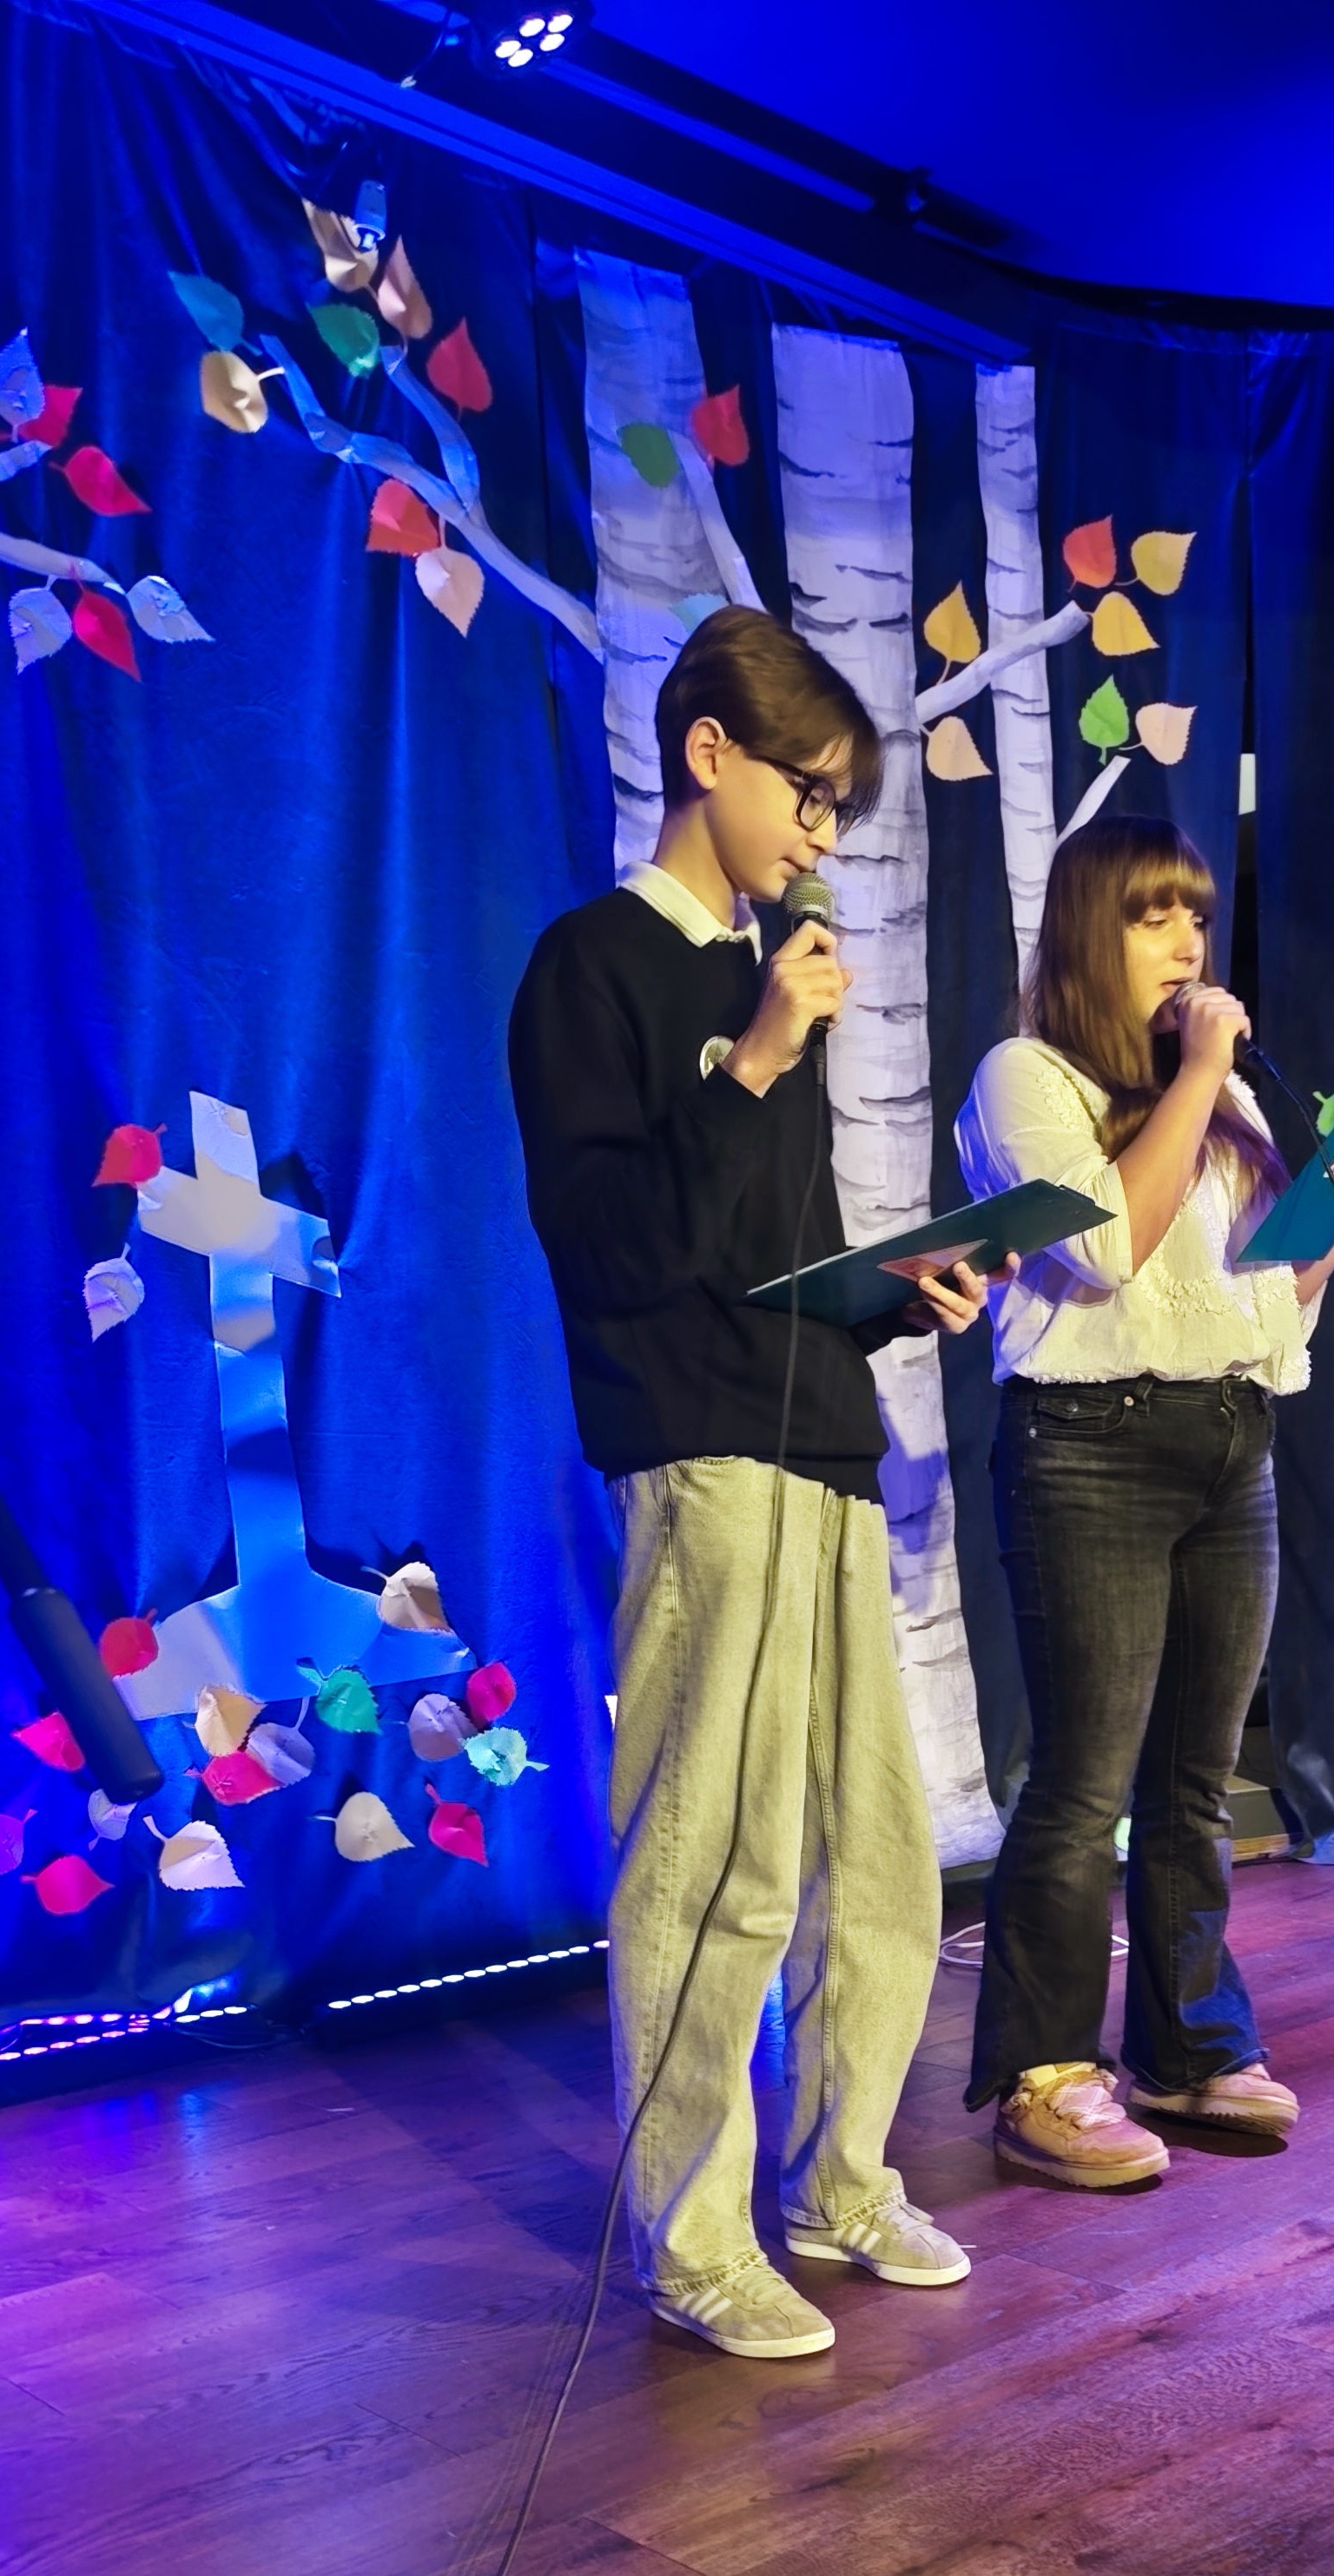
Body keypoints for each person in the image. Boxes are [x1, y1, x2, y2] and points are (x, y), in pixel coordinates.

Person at [510, 606, 1000, 2358]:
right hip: (701, 1460)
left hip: (823, 1454)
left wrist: (897, 1292)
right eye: (811, 791)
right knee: (712, 1863)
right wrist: (762, 1057)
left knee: (877, 1861)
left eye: (842, 806)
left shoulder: (762, 981)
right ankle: (692, 2235)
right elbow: (619, 1253)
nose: (821, 833)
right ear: (707, 751)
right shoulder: (592, 968)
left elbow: (764, 1261)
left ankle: (841, 2177)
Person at [954, 813, 1334, 2190]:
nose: (1187, 944)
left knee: (1194, 1784)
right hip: (1088, 1444)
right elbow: (1105, 1249)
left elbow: (1261, 1301)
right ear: (1091, 930)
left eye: (1198, 919)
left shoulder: (1227, 1106)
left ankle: (1188, 2047)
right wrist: (1204, 1067)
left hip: (1230, 1434)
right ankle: (1044, 2076)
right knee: (1082, 1782)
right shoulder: (1025, 1077)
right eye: (1155, 916)